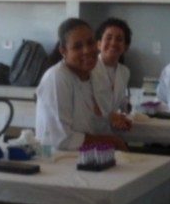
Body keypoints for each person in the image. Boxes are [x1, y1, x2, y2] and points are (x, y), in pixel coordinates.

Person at [36, 18, 130, 151]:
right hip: (61, 158)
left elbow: (97, 123)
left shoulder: (92, 75)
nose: (87, 50)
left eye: (90, 43)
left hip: (90, 156)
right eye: (77, 47)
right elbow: (61, 139)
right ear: (63, 51)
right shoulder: (57, 77)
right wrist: (113, 141)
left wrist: (111, 118)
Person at [92, 17, 133, 118]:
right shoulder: (89, 69)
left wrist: (126, 109)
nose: (113, 43)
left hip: (111, 125)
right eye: (108, 38)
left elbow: (121, 101)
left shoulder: (125, 72)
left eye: (119, 39)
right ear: (99, 44)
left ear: (125, 47)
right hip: (88, 125)